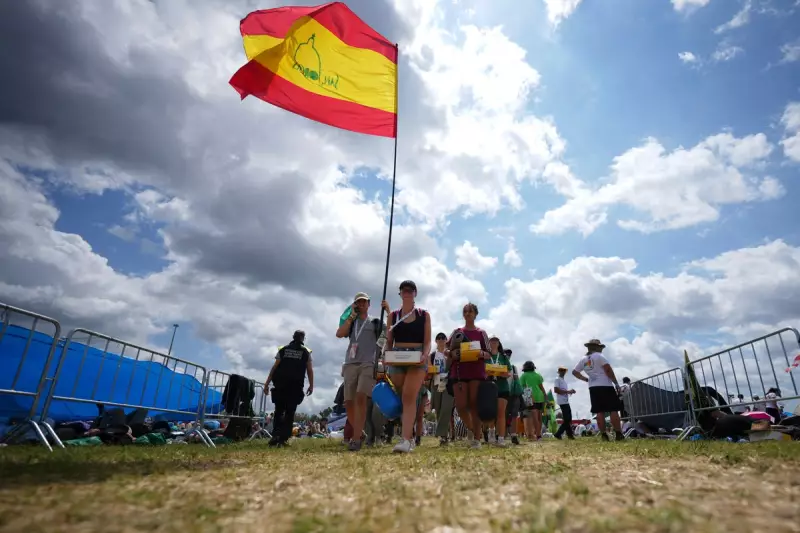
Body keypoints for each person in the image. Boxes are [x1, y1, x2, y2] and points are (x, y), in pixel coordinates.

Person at [335, 292, 390, 452]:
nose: (361, 305)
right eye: (358, 302)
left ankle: (356, 439)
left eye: (364, 302)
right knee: (349, 402)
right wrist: (351, 316)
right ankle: (360, 433)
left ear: (369, 304)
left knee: (361, 397)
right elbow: (339, 333)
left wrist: (388, 311)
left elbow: (389, 330)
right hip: (350, 363)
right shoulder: (351, 322)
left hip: (368, 363)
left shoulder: (375, 321)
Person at [384, 280, 432, 453]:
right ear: (400, 293)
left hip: (417, 357)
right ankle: (408, 435)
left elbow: (427, 341)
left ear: (415, 293)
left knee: (409, 395)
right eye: (404, 290)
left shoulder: (424, 315)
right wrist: (386, 354)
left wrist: (425, 355)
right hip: (397, 356)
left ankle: (405, 440)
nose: (407, 292)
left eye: (410, 290)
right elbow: (389, 341)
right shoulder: (393, 316)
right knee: (402, 397)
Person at [445, 303, 491, 449]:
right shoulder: (457, 331)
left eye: (470, 311)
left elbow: (489, 353)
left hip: (476, 372)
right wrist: (451, 353)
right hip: (459, 372)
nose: (468, 313)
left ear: (476, 314)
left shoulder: (481, 333)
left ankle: (476, 439)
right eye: (465, 311)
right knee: (460, 406)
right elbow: (446, 349)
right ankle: (473, 429)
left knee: (474, 405)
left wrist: (481, 353)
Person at [264, 330, 314, 447]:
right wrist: (311, 385)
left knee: (278, 411)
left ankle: (275, 435)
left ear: (293, 337)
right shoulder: (306, 352)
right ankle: (284, 438)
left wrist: (267, 383)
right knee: (290, 412)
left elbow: (274, 368)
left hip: (280, 385)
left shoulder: (283, 349)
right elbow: (309, 370)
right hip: (295, 386)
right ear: (303, 339)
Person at [572, 338, 624, 441]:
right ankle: (618, 433)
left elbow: (575, 372)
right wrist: (616, 383)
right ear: (597, 347)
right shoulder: (599, 356)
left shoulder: (583, 359)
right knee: (613, 409)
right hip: (606, 385)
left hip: (593, 387)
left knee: (599, 411)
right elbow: (608, 370)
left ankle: (604, 435)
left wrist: (586, 379)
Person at [485, 336, 511, 447]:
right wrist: (488, 372)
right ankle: (491, 433)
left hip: (502, 387)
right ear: (488, 343)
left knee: (501, 413)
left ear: (499, 343)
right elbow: (482, 371)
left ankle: (500, 438)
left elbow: (509, 372)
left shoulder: (503, 357)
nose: (494, 342)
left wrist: (502, 373)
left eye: (496, 341)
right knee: (491, 412)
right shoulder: (486, 356)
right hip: (489, 386)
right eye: (492, 341)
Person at [431, 332, 455, 446]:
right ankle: (443, 436)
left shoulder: (449, 354)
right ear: (436, 341)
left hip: (448, 383)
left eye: (443, 338)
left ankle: (443, 434)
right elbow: (428, 368)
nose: (441, 340)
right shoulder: (432, 355)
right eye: (438, 338)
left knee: (446, 408)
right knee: (438, 409)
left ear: (446, 340)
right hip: (436, 383)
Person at [520, 361, 546, 440]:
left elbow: (523, 387)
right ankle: (539, 435)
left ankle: (538, 435)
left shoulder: (523, 376)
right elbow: (541, 387)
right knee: (539, 417)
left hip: (530, 396)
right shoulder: (538, 375)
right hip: (540, 396)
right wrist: (545, 396)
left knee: (534, 417)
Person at [553, 366, 576, 440]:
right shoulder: (557, 379)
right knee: (567, 419)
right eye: (561, 370)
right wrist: (568, 391)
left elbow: (563, 391)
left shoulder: (563, 380)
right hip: (562, 401)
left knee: (568, 419)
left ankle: (570, 435)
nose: (563, 371)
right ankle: (558, 434)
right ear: (559, 371)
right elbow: (556, 390)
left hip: (565, 401)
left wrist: (569, 392)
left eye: (564, 370)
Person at [506, 349, 522, 445]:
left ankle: (513, 435)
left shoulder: (513, 367)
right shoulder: (499, 365)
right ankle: (500, 434)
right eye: (506, 354)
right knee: (502, 414)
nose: (508, 356)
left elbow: (517, 380)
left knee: (514, 414)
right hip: (503, 392)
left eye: (509, 354)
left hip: (513, 394)